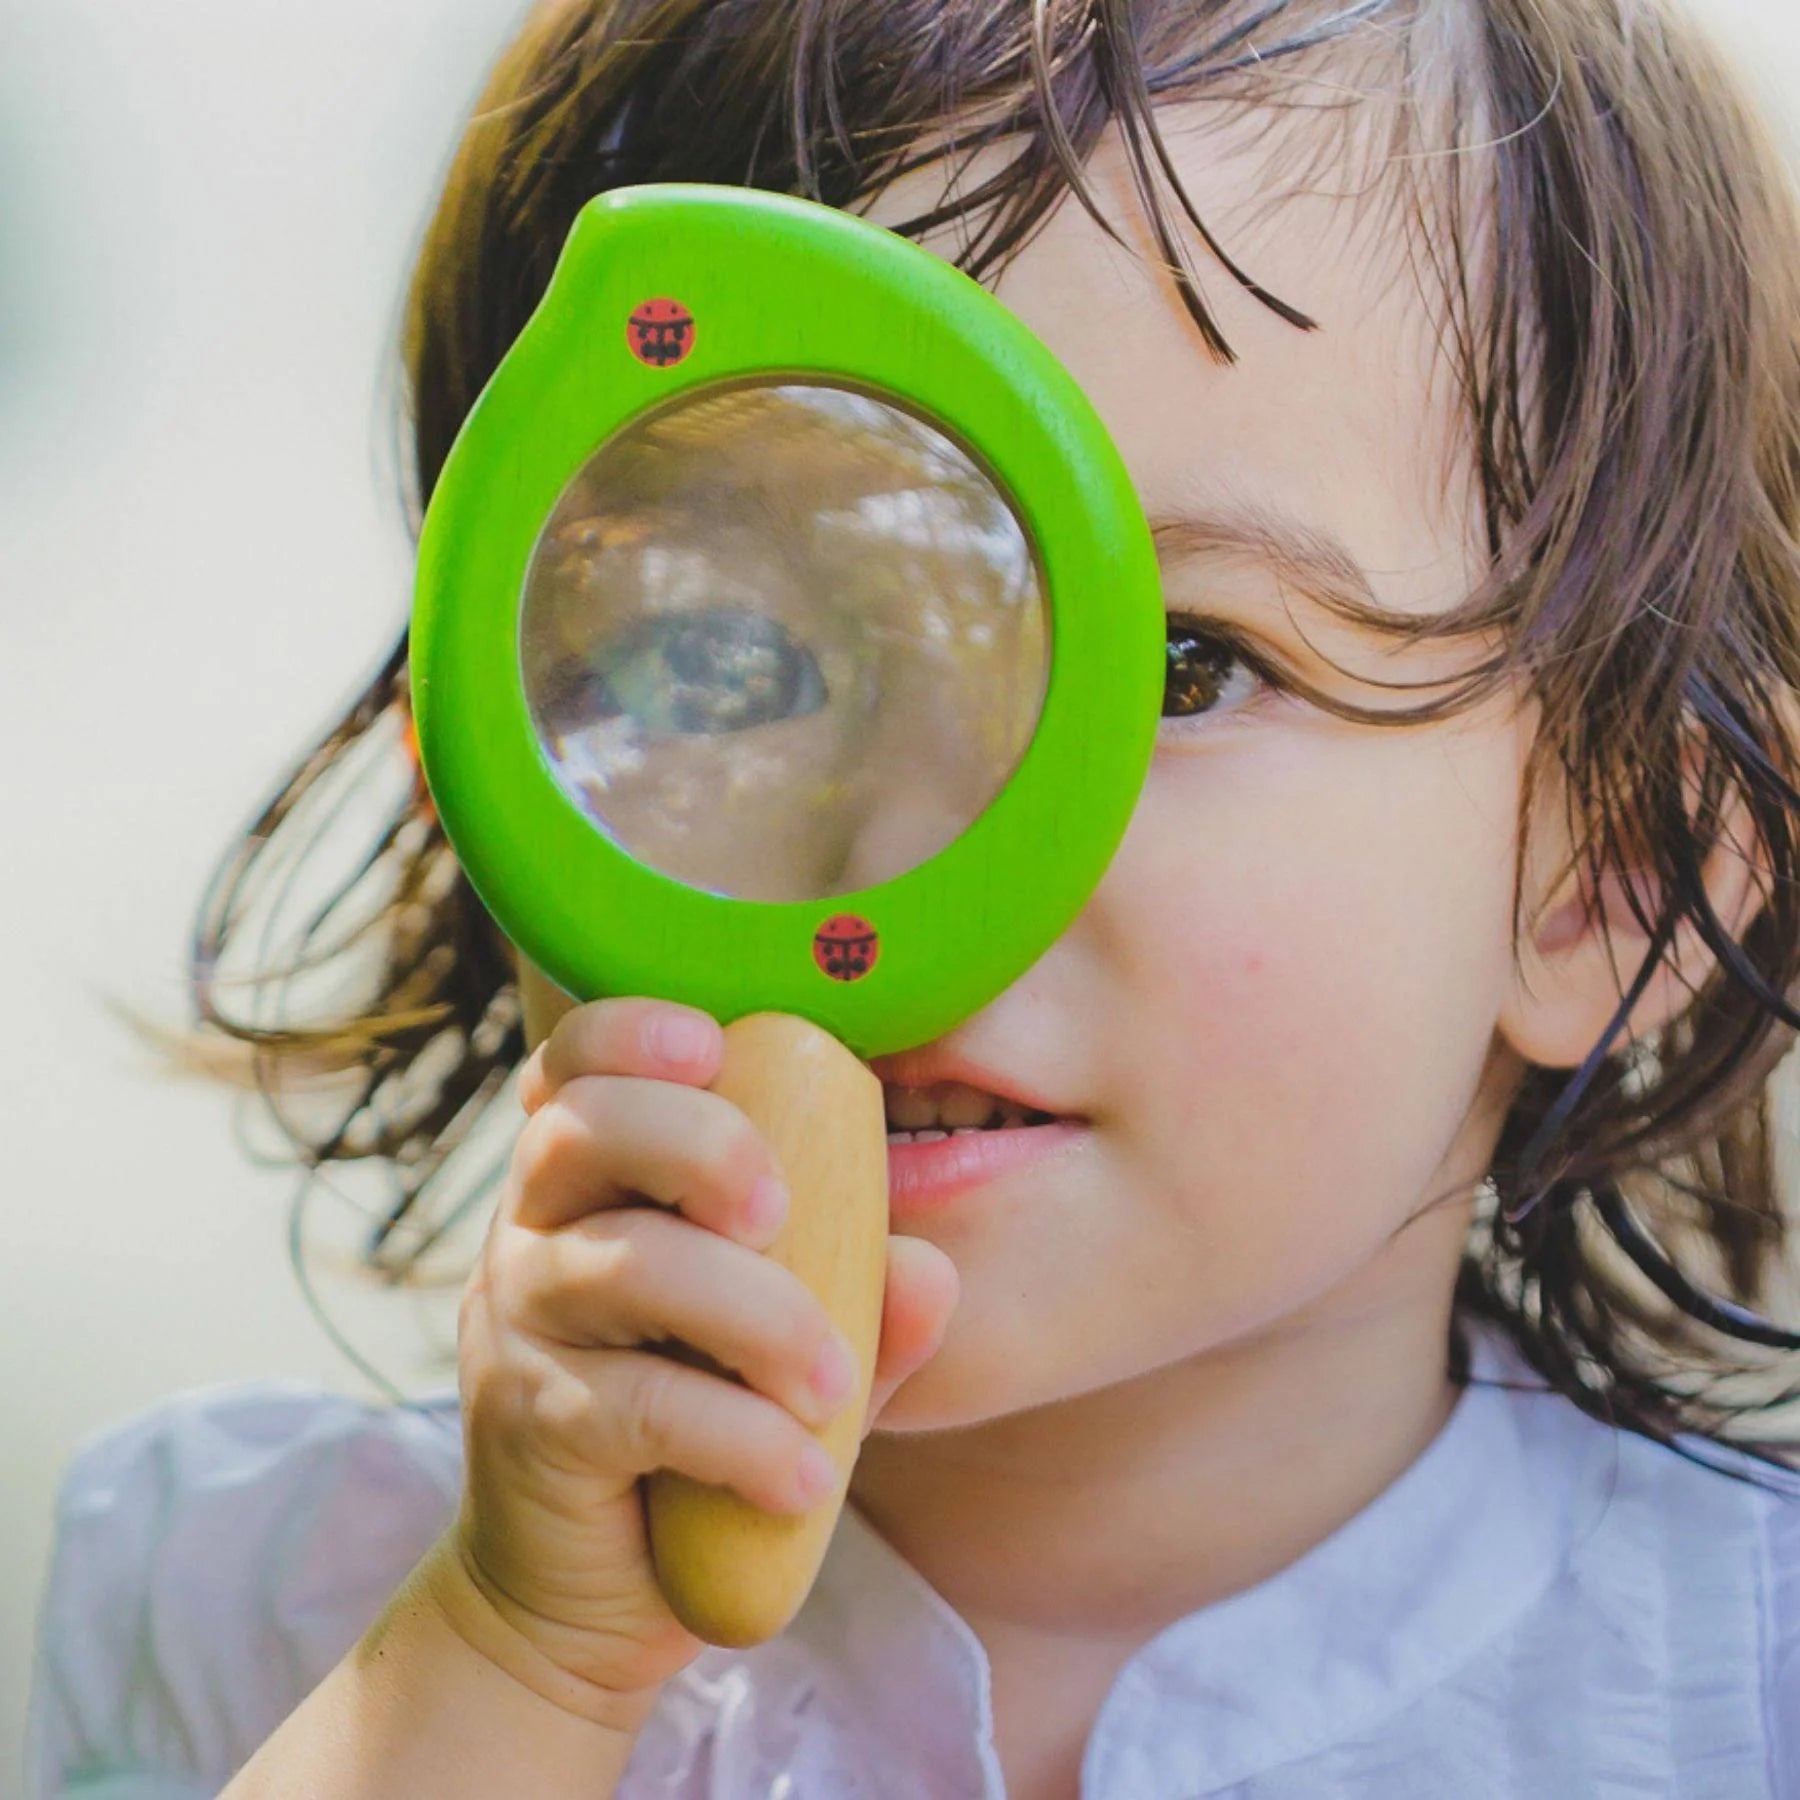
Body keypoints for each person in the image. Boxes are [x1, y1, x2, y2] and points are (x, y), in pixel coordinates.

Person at [26, 0, 1800, 1795]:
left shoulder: (1752, 1683)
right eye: (722, 659)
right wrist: (514, 1667)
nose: (901, 842)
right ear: (495, 764)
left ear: (1608, 875)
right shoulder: (255, 1614)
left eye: (1184, 667)